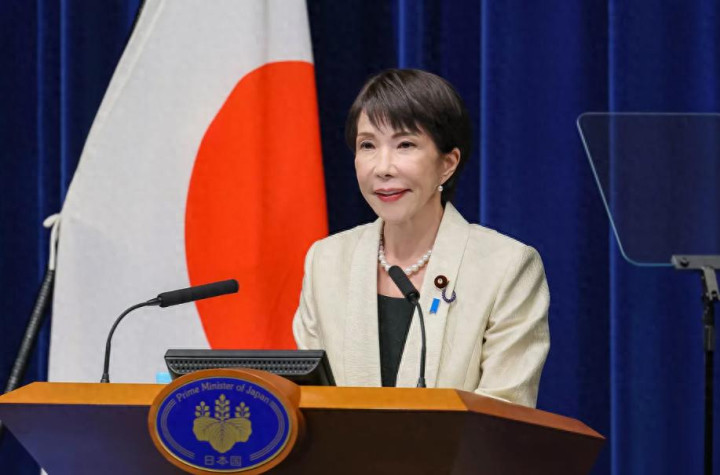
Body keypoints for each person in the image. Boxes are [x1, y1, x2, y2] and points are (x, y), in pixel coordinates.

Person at [293, 69, 549, 408]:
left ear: (447, 164)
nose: (383, 167)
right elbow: (309, 402)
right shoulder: (326, 261)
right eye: (367, 145)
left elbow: (504, 414)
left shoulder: (506, 267)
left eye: (405, 145)